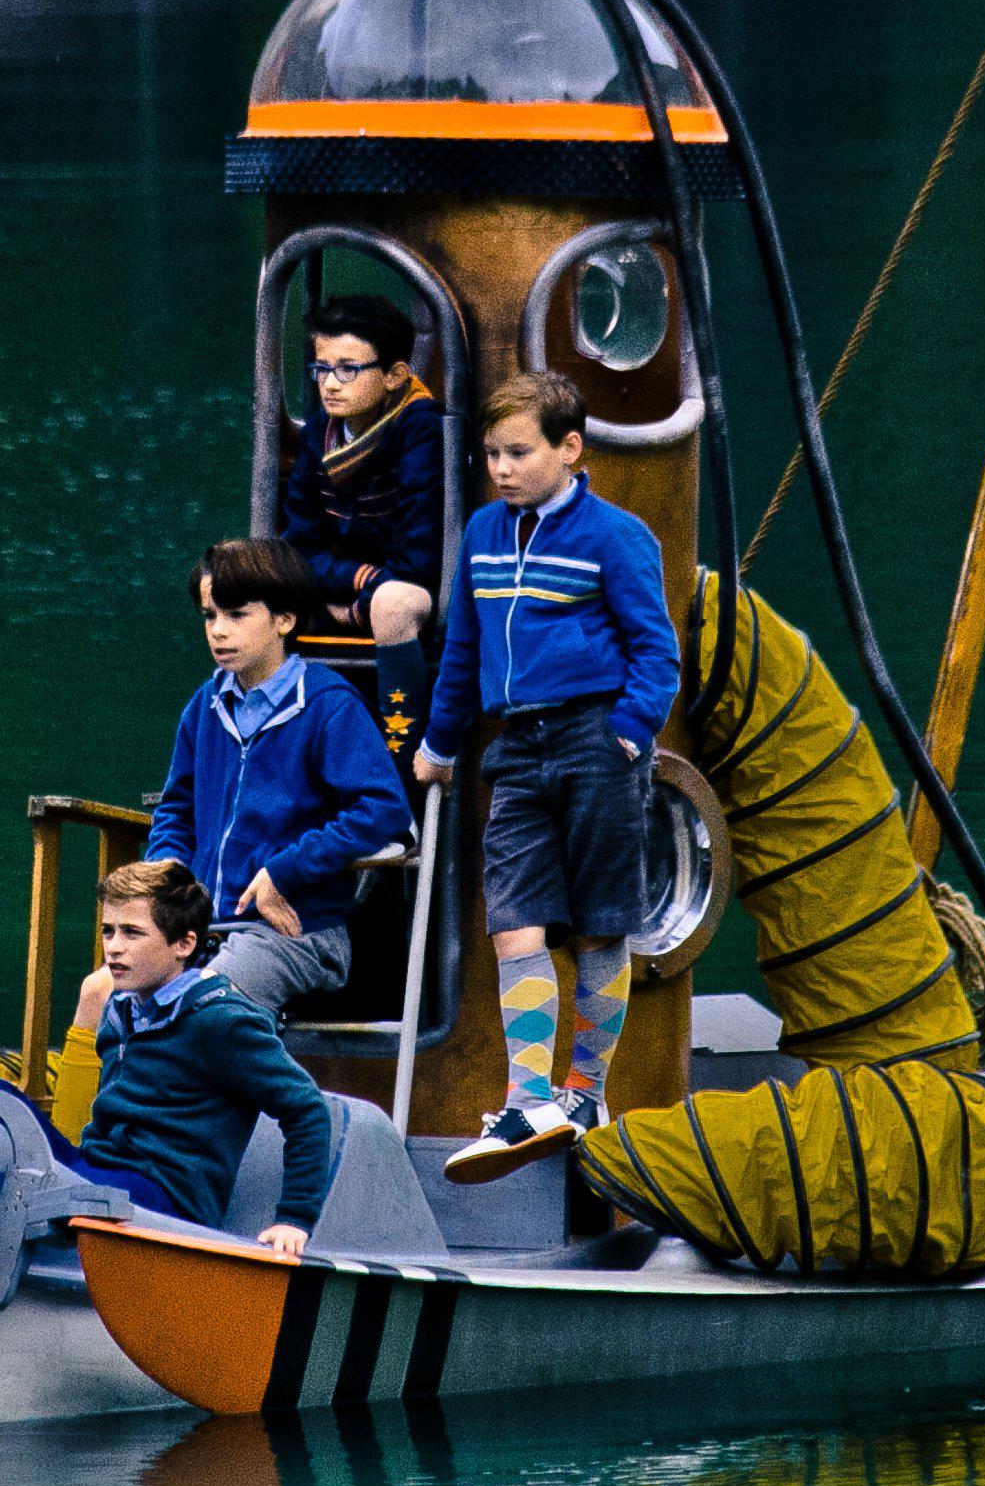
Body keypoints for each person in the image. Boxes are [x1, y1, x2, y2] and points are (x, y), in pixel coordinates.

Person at [414, 370, 680, 1181]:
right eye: (490, 453)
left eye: (517, 452)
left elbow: (657, 655)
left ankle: (583, 1091)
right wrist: (440, 743)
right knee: (514, 921)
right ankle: (527, 1099)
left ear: (569, 449)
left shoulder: (616, 535)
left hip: (597, 739)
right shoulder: (484, 535)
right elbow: (462, 652)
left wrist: (628, 738)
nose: (500, 468)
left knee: (601, 923)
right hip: (516, 749)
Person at [146, 537, 413, 1019]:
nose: (218, 632)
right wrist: (168, 878)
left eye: (236, 615)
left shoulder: (328, 705)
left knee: (201, 1006)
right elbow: (176, 810)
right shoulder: (203, 707)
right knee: (104, 992)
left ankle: (276, 1097)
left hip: (297, 933)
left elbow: (384, 811)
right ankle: (104, 1098)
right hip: (204, 929)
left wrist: (283, 871)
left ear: (285, 620)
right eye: (210, 616)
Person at [50, 858, 335, 1256]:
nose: (113, 947)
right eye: (108, 931)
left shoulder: (221, 1020)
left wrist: (294, 1218)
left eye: (132, 933)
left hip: (164, 1200)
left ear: (184, 944)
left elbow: (306, 1109)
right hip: (99, 1175)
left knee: (61, 1188)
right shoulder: (120, 1013)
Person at [279, 291, 445, 764]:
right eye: (321, 368)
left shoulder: (420, 428)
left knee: (392, 605)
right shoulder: (320, 432)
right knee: (248, 588)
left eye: (348, 369)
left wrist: (356, 599)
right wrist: (354, 583)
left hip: (405, 594)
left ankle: (401, 764)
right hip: (348, 586)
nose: (330, 383)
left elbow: (418, 558)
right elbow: (299, 545)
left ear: (394, 375)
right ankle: (275, 762)